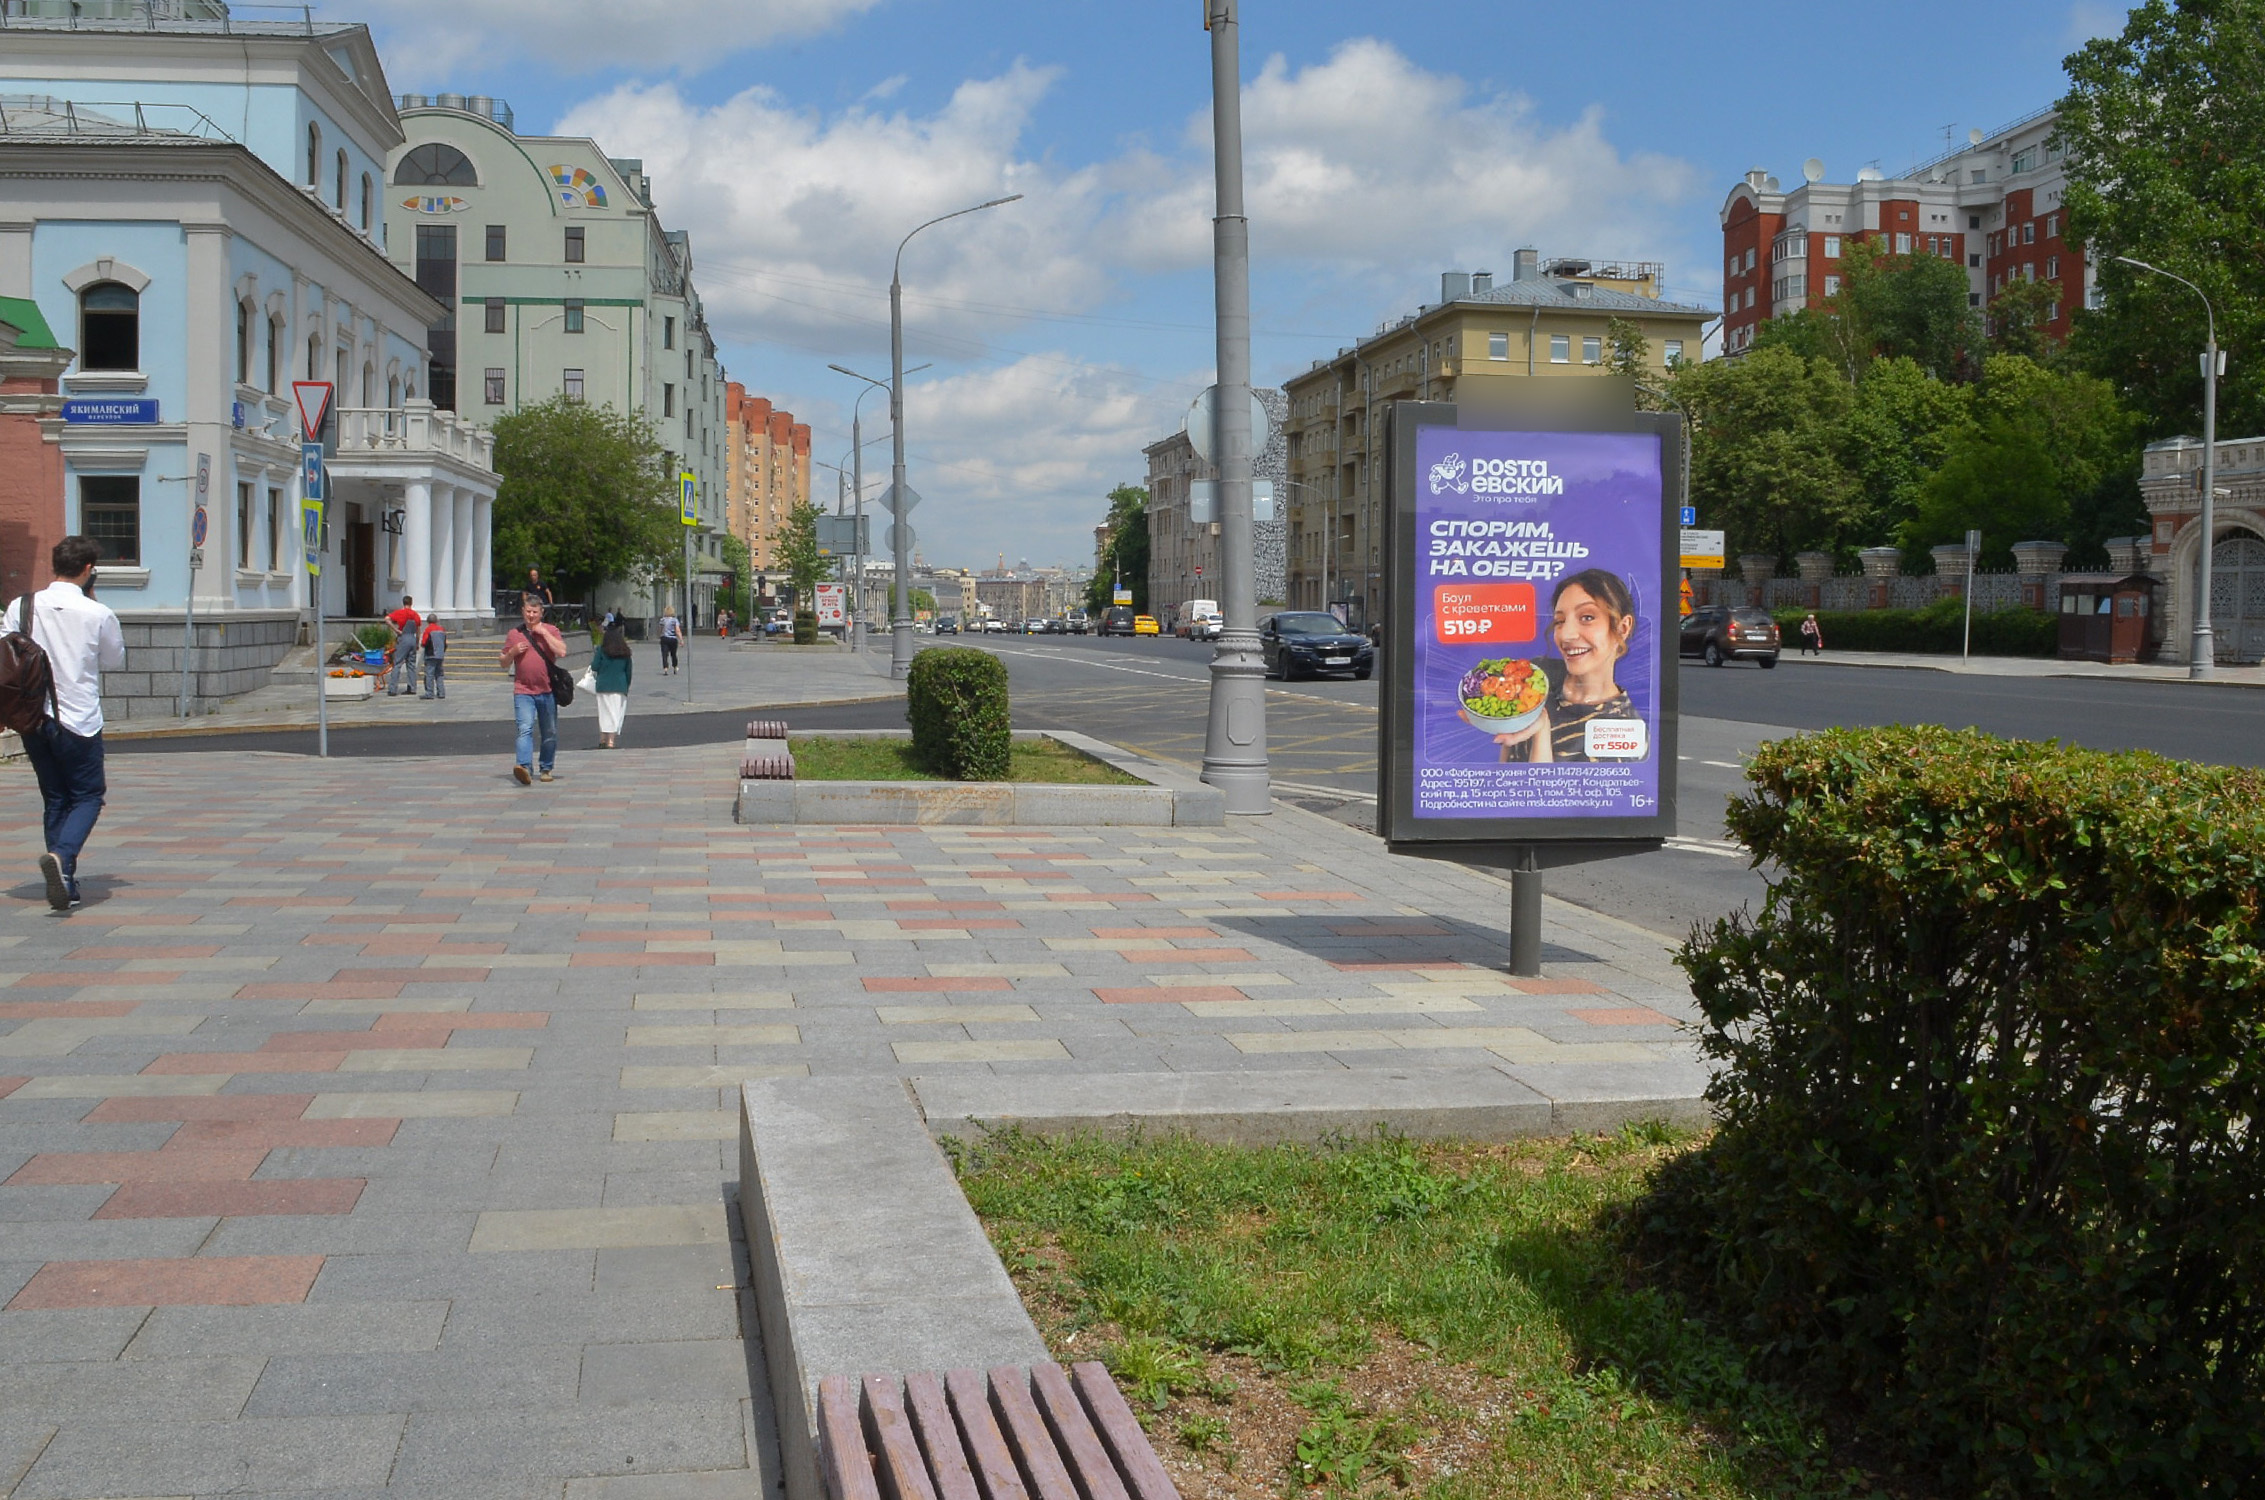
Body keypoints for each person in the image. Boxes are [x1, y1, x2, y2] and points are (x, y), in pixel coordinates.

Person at [6, 536, 126, 909]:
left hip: (32, 716)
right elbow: (114, 660)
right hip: (79, 718)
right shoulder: (97, 613)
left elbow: (5, 649)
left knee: (55, 797)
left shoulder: (21, 605)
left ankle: (66, 881)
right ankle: (62, 857)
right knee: (88, 796)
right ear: (89, 570)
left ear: (55, 565)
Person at [1468, 568, 1644, 765]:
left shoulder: (1625, 731)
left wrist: (1541, 731)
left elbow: (1544, 795)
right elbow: (1504, 777)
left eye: (1587, 617)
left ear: (1622, 628)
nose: (1566, 635)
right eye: (1560, 621)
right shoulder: (1538, 676)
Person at [500, 594, 567, 784]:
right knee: (524, 729)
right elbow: (503, 663)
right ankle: (524, 767)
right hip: (523, 691)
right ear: (522, 612)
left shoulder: (551, 630)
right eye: (528, 612)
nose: (531, 615)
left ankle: (546, 767)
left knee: (550, 731)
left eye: (534, 612)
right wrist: (513, 652)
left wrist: (543, 633)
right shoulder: (515, 634)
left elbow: (562, 651)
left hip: (547, 691)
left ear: (541, 613)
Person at [592, 617, 633, 748]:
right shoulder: (625, 652)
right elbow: (629, 671)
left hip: (603, 685)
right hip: (620, 686)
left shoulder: (601, 650)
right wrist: (627, 686)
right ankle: (611, 741)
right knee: (615, 713)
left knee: (604, 713)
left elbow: (594, 666)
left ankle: (603, 739)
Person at [384, 594, 421, 696]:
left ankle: (393, 689)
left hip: (403, 638)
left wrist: (396, 630)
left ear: (403, 603)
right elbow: (418, 630)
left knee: (397, 663)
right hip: (412, 638)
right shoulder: (415, 615)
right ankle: (412, 688)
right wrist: (417, 643)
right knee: (411, 665)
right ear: (411, 603)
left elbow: (387, 619)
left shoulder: (400, 613)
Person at [418, 615, 448, 699]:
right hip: (440, 655)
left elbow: (424, 642)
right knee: (439, 674)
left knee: (429, 674)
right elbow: (445, 643)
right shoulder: (442, 629)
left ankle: (429, 693)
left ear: (428, 621)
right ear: (436, 621)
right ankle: (441, 692)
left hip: (431, 655)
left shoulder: (428, 630)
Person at [657, 604, 681, 674]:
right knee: (673, 654)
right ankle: (675, 667)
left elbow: (660, 629)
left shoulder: (662, 620)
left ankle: (665, 668)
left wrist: (659, 636)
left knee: (664, 654)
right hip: (673, 639)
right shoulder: (675, 620)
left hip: (664, 638)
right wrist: (681, 639)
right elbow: (677, 630)